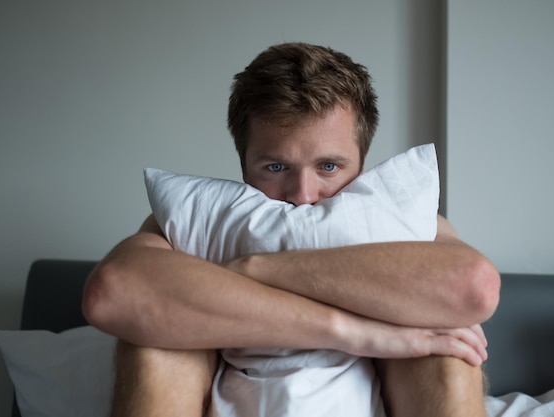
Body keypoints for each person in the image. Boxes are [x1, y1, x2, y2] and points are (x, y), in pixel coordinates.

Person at [83, 42, 500, 417]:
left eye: (329, 167)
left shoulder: (394, 222)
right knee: (151, 336)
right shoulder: (205, 221)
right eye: (276, 167)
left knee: (449, 343)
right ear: (243, 162)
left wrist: (253, 267)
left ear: (363, 162)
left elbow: (473, 287)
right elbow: (113, 292)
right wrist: (359, 333)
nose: (302, 195)